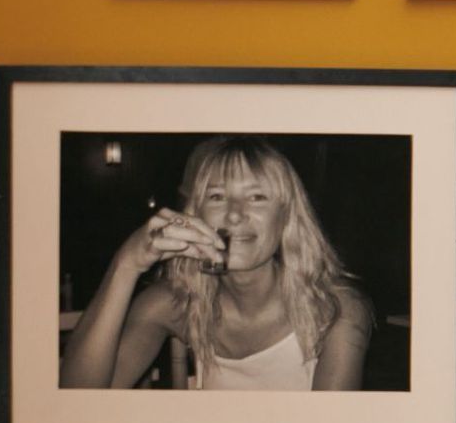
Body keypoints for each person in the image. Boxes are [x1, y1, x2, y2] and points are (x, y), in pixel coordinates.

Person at [59, 135, 373, 392]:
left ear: (286, 218)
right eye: (217, 197)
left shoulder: (335, 308)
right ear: (195, 216)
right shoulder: (173, 303)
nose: (234, 214)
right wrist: (125, 265)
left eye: (256, 197)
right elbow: (77, 400)